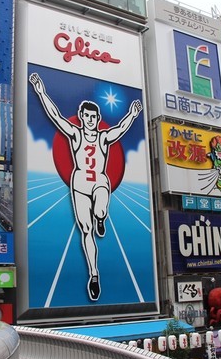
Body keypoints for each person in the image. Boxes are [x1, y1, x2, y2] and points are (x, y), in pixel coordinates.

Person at [29, 72, 142, 301]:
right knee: (86, 231)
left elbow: (120, 129)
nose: (90, 120)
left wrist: (132, 114)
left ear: (97, 118)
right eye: (87, 116)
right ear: (81, 117)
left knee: (100, 210)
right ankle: (94, 274)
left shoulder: (103, 137)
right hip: (79, 183)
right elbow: (55, 116)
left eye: (93, 116)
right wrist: (41, 92)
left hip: (99, 181)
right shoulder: (75, 134)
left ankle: (101, 217)